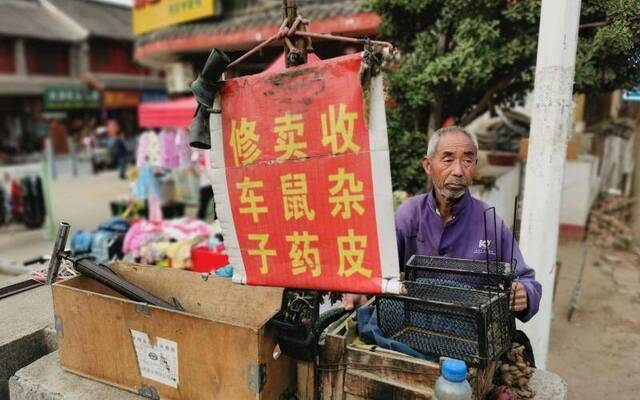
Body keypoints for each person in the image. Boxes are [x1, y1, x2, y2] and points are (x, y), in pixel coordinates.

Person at [343, 126, 542, 324]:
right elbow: (374, 271)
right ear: (428, 166)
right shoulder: (409, 215)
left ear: (475, 166)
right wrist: (359, 290)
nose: (458, 171)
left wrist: (524, 293)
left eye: (467, 160)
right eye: (448, 160)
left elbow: (527, 280)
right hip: (413, 327)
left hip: (471, 336)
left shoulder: (490, 222)